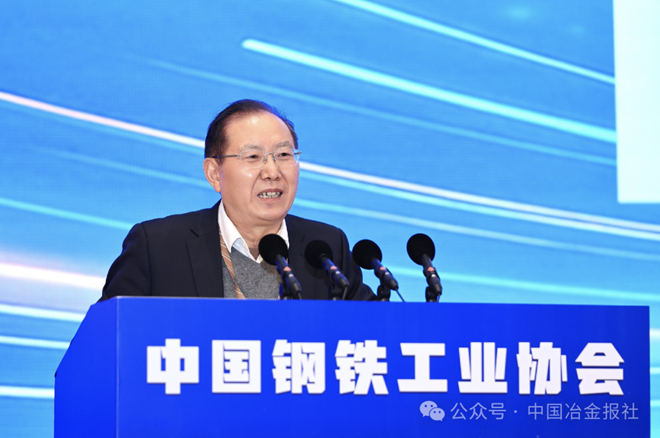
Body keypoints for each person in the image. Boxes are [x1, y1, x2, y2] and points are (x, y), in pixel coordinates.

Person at [100, 99, 373, 301]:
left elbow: (377, 338)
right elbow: (101, 347)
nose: (272, 172)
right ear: (214, 173)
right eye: (253, 157)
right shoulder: (158, 247)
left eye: (284, 155)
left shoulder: (327, 248)